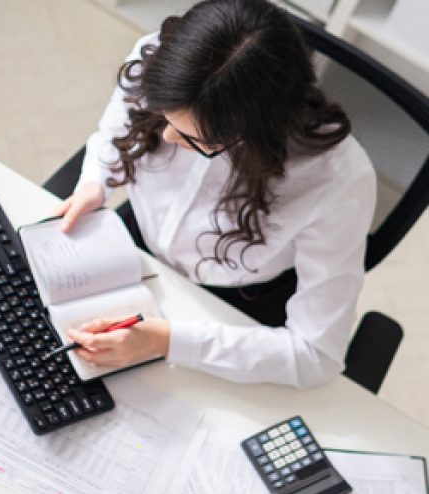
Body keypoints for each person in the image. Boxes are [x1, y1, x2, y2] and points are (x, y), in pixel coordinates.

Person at [51, 0, 376, 388]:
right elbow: (114, 130)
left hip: (237, 295)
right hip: (140, 241)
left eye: (194, 139)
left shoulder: (337, 179)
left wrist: (167, 342)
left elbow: (316, 355)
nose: (167, 138)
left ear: (257, 131)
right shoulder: (159, 62)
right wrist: (96, 181)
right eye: (163, 117)